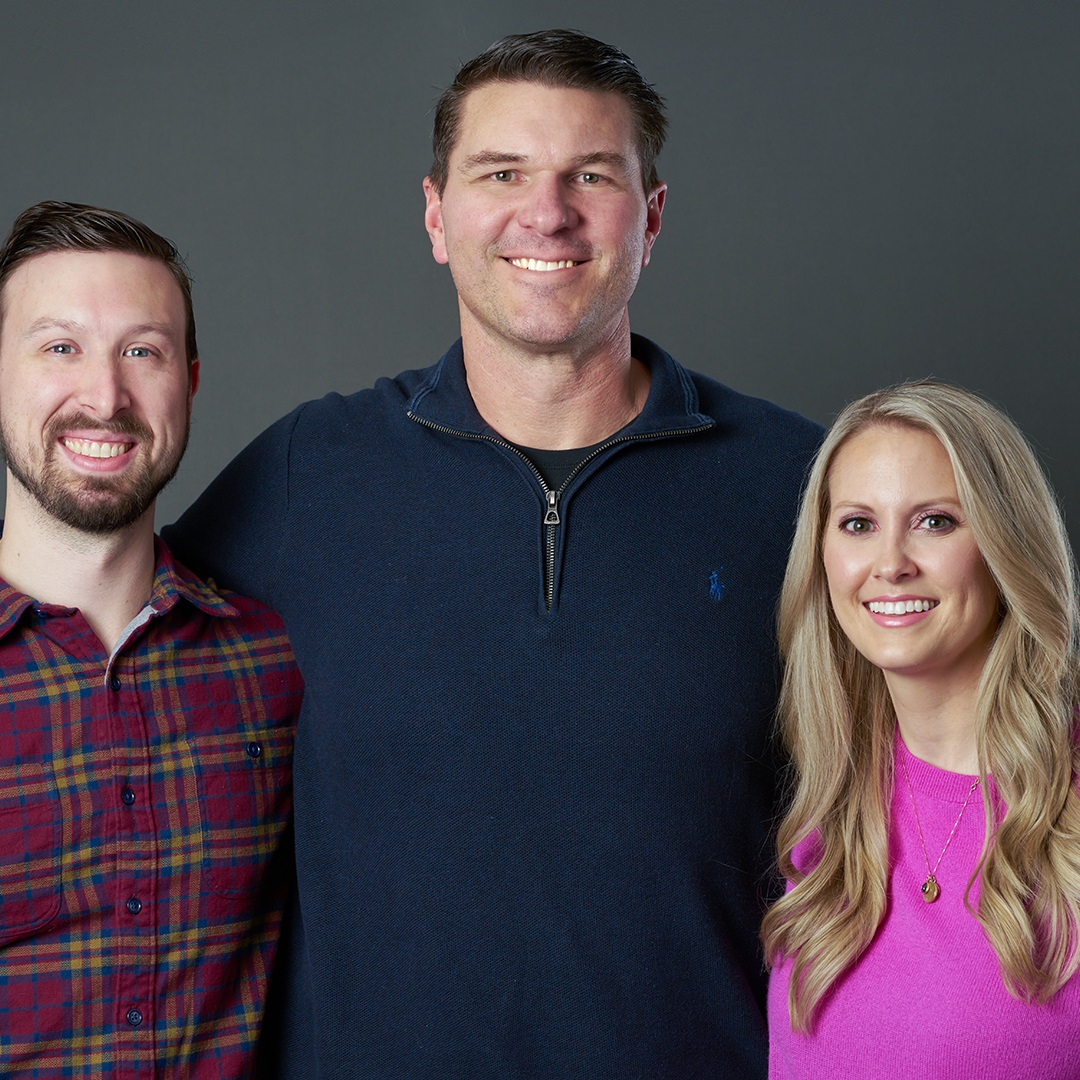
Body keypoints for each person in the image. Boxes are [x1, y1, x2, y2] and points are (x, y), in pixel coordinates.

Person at [165, 29, 821, 1078]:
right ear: (436, 215)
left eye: (591, 176)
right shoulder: (311, 469)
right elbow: (113, 644)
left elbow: (947, 758)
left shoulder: (801, 483)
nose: (545, 212)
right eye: (502, 173)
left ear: (650, 218)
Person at [0, 201, 302, 1077]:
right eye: (60, 347)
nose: (105, 396)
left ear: (190, 382)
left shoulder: (274, 663)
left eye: (143, 351)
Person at [763, 380, 1080, 1078]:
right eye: (857, 524)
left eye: (935, 521)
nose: (891, 563)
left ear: (1005, 545)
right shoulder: (835, 801)